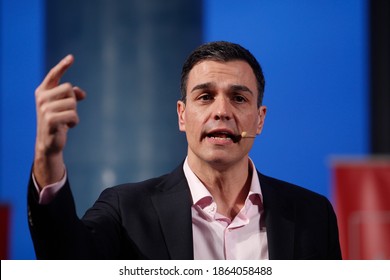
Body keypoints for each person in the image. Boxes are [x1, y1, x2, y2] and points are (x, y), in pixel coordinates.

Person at [28, 41, 342, 260]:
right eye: (205, 97)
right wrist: (48, 156)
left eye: (239, 98)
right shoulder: (127, 210)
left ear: (259, 120)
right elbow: (66, 261)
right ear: (182, 115)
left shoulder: (313, 215)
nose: (221, 111)